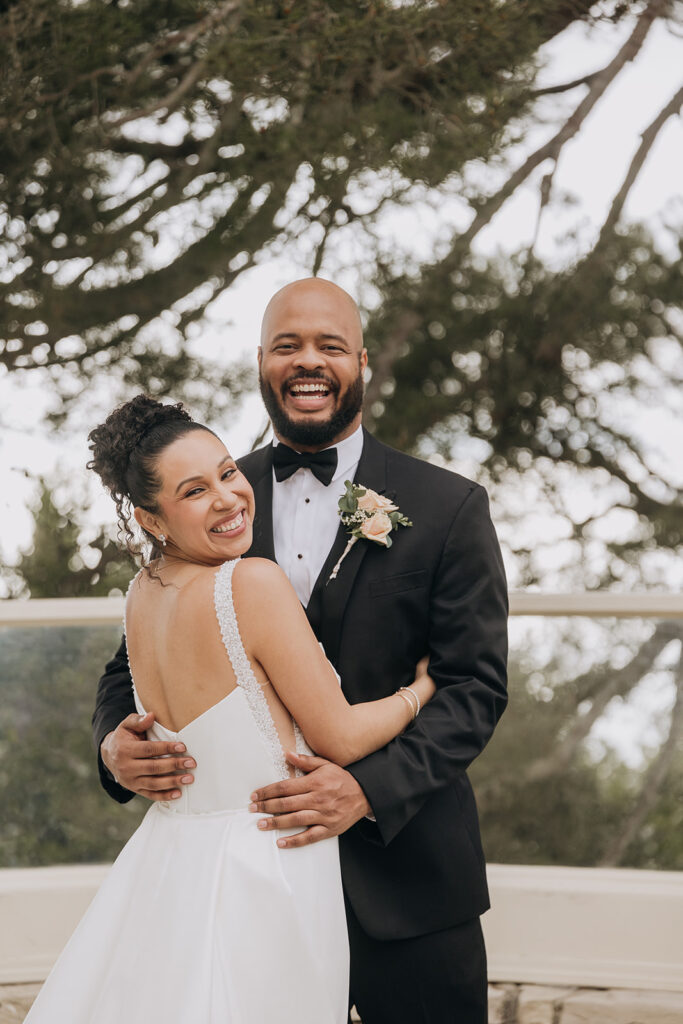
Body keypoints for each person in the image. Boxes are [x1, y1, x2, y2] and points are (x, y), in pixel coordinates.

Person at [94, 278, 509, 1023]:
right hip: (250, 891)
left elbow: (473, 687)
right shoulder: (208, 496)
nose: (306, 361)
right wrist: (112, 749)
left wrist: (367, 790)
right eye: (287, 345)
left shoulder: (450, 508)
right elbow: (128, 664)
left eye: (328, 345)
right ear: (262, 361)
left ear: (361, 361)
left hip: (410, 887)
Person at [25, 395, 435, 1024]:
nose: (227, 497)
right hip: (266, 862)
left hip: (169, 860)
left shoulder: (142, 592)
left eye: (226, 472)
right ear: (151, 519)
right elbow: (343, 738)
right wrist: (420, 691)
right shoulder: (251, 583)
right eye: (194, 491)